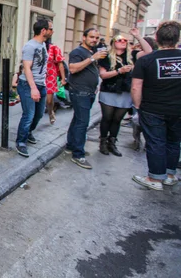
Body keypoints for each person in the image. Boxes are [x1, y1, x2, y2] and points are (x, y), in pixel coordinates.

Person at [131, 21, 181, 191]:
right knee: (174, 141)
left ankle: (155, 177)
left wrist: (137, 106)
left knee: (156, 142)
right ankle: (170, 174)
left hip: (153, 109)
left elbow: (136, 86)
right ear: (177, 38)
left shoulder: (147, 60)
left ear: (157, 38)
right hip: (177, 109)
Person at [97, 28, 152, 157]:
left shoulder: (132, 55)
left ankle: (112, 142)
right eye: (119, 40)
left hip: (125, 92)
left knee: (117, 119)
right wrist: (119, 71)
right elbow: (103, 75)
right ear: (113, 43)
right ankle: (103, 143)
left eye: (125, 40)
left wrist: (138, 36)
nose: (123, 42)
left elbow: (149, 51)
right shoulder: (106, 56)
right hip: (109, 90)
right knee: (107, 118)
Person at [65, 28, 107, 169]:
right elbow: (73, 68)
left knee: (78, 119)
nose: (94, 40)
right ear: (84, 37)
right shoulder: (78, 52)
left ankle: (71, 146)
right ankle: (78, 155)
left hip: (88, 92)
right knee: (83, 123)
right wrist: (92, 58)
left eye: (96, 37)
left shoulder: (91, 52)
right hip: (80, 92)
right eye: (91, 37)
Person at [14, 19, 51, 158]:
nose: (52, 31)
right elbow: (27, 68)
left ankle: (28, 132)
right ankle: (21, 142)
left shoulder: (43, 45)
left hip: (41, 85)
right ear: (43, 31)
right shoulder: (30, 46)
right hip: (28, 85)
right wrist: (33, 88)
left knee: (39, 114)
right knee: (28, 115)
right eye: (50, 29)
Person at [45, 34, 67, 125]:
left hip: (51, 75)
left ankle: (51, 112)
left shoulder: (54, 48)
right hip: (39, 75)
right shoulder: (37, 47)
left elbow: (60, 64)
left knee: (49, 100)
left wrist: (63, 78)